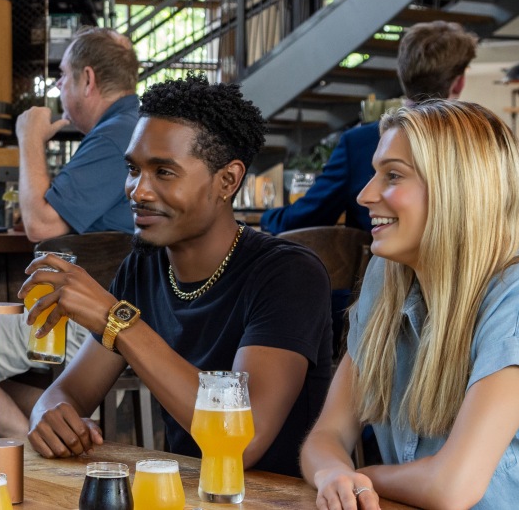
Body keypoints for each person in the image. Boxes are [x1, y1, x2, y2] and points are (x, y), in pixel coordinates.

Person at [18, 77, 333, 477]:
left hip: (278, 501)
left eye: (164, 172)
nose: (137, 191)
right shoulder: (145, 266)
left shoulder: (287, 274)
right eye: (133, 169)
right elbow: (70, 391)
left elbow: (242, 441)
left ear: (228, 181)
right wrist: (48, 414)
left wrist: (116, 320)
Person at [301, 100, 519, 510]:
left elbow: (451, 486)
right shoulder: (385, 279)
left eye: (392, 175)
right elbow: (327, 436)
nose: (365, 194)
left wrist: (361, 479)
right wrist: (332, 473)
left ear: (456, 187)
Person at [0, 26, 140, 438]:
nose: (57, 86)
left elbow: (41, 225)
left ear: (86, 79)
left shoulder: (116, 136)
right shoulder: (131, 127)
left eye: (63, 75)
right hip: (117, 319)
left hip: (93, 325)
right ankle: (58, 432)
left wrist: (28, 137)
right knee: (26, 386)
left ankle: (36, 455)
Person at [260, 21, 477, 234]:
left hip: (381, 266)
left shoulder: (359, 143)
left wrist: (264, 217)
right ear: (459, 83)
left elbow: (302, 220)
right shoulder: (481, 141)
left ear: (402, 75)